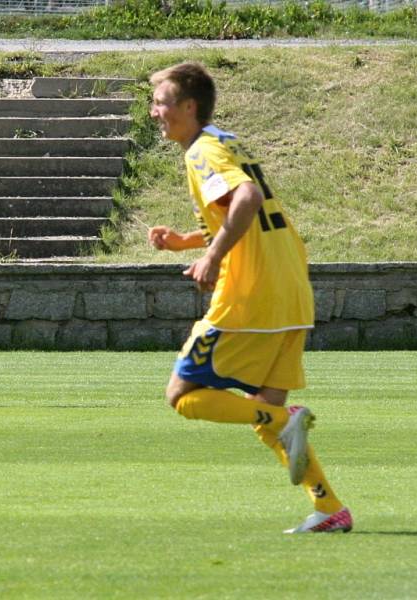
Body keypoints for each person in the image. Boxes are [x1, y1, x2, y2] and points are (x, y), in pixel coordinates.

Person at [147, 63, 351, 533]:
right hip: (291, 291)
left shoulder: (202, 151)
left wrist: (215, 258)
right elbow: (250, 217)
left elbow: (247, 199)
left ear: (188, 107)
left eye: (161, 103)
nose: (156, 112)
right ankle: (328, 507)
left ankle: (287, 416)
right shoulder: (225, 139)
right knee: (263, 413)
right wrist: (186, 242)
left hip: (249, 296)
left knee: (181, 395)